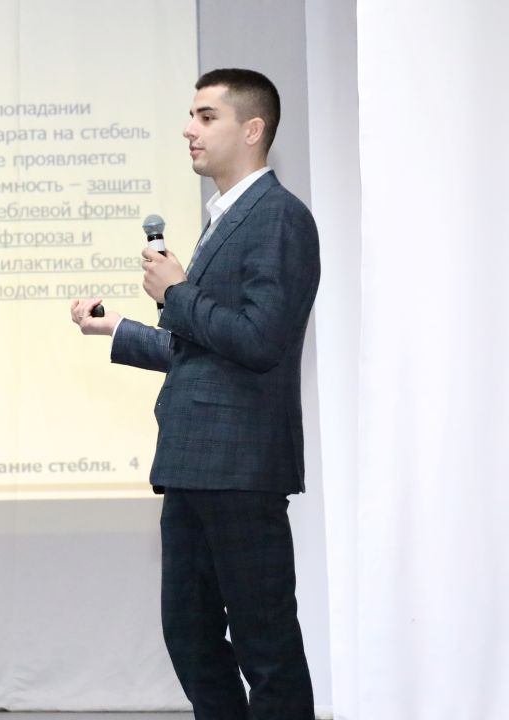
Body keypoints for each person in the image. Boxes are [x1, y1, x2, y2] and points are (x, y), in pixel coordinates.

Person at [70, 68, 319, 720]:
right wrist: (119, 328)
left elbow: (260, 340)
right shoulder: (224, 219)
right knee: (189, 634)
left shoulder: (278, 218)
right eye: (190, 115)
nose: (189, 129)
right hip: (192, 464)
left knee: (265, 644)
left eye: (207, 117)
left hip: (240, 467)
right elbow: (204, 354)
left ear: (252, 129)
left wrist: (177, 293)